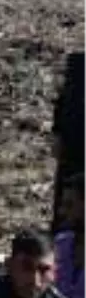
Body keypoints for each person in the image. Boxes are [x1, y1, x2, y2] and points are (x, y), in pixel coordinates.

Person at [52, 53, 86, 233]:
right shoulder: (78, 65)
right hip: (74, 145)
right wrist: (57, 132)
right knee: (68, 201)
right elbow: (63, 101)